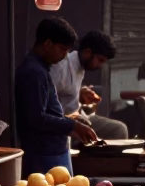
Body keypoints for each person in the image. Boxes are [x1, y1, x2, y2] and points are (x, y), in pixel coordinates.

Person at [15, 17, 97, 175]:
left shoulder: (41, 69)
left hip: (53, 149)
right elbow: (37, 118)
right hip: (44, 153)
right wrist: (73, 126)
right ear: (47, 44)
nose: (65, 56)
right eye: (62, 49)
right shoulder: (34, 72)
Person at [49, 29, 128, 141]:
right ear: (87, 52)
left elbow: (67, 91)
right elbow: (50, 103)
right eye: (100, 60)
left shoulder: (80, 66)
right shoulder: (62, 67)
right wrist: (73, 124)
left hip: (79, 116)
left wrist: (81, 94)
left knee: (119, 128)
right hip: (65, 122)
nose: (101, 66)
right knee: (118, 130)